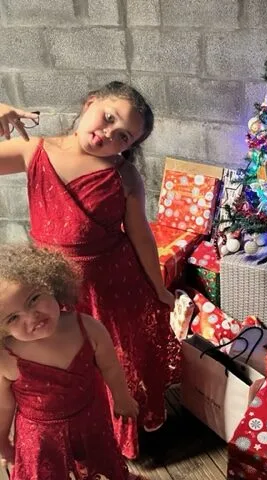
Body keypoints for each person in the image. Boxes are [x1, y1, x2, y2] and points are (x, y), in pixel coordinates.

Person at [0, 82, 179, 459]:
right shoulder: (35, 150)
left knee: (115, 356)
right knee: (68, 357)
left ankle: (119, 434)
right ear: (90, 103)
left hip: (113, 285)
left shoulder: (124, 176)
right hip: (53, 288)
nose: (108, 134)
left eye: (123, 137)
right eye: (108, 117)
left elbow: (141, 236)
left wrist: (159, 287)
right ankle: (76, 431)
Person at [0, 244, 139, 479]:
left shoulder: (88, 328)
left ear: (52, 284)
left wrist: (122, 397)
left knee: (99, 466)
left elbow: (111, 368)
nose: (31, 317)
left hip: (91, 420)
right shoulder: (6, 356)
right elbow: (4, 405)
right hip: (41, 439)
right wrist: (2, 439)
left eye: (34, 298)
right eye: (13, 317)